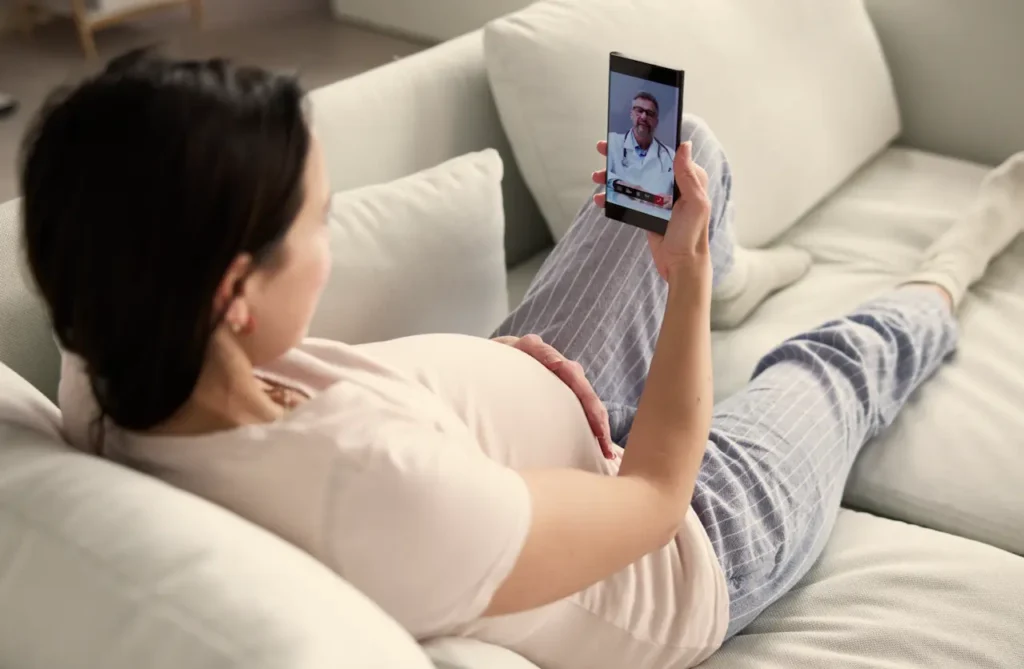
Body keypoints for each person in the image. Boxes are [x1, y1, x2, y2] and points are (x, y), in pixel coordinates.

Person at [20, 54, 1024, 669]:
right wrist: (679, 282)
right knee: (834, 365)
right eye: (318, 222)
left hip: (536, 396)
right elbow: (657, 496)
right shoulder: (384, 493)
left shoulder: (111, 357)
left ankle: (724, 273)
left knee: (681, 153)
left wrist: (512, 375)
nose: (330, 243)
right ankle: (949, 269)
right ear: (233, 293)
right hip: (683, 545)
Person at [606, 91, 676, 212]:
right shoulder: (613, 141)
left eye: (650, 113)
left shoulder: (670, 156)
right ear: (631, 114)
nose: (643, 117)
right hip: (619, 214)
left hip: (655, 217)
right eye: (639, 110)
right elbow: (604, 175)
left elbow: (681, 192)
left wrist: (674, 199)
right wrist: (624, 185)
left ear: (656, 122)